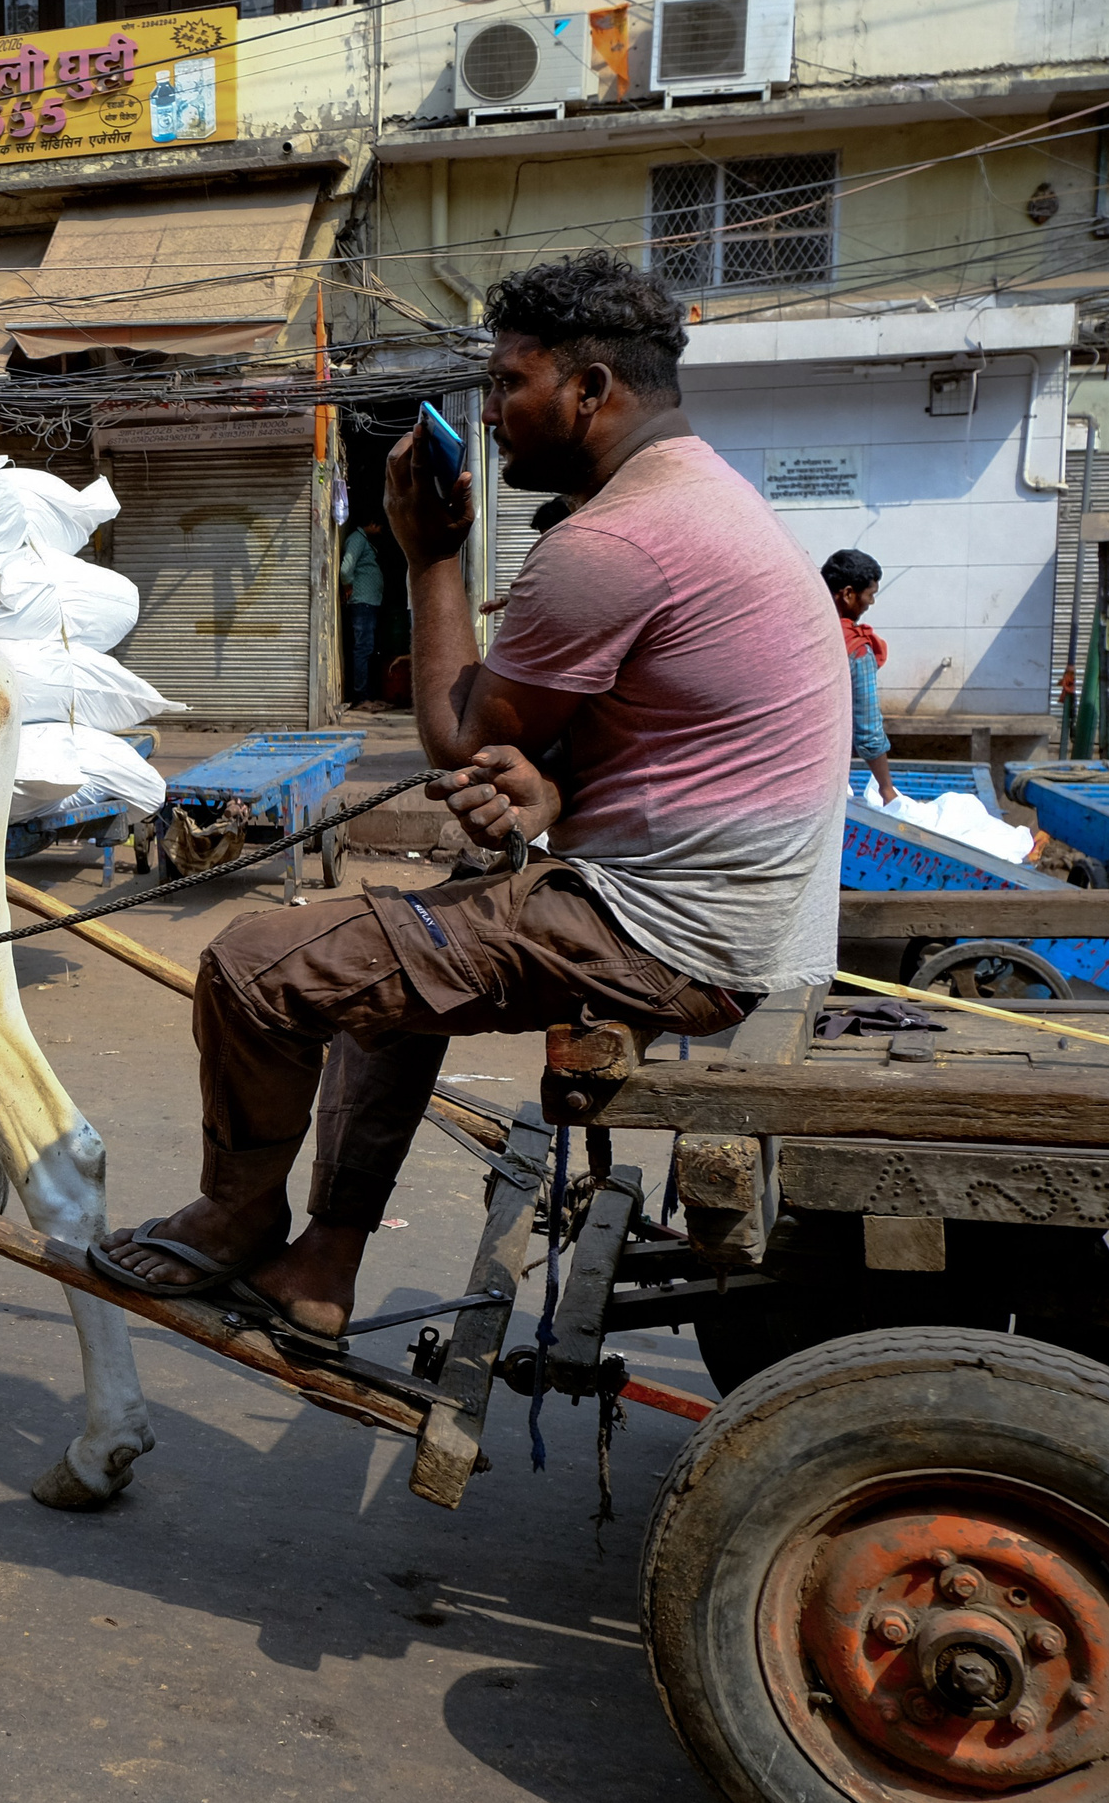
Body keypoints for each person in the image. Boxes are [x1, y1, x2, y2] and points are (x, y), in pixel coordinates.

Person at [89, 250, 850, 1338]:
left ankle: (236, 1215)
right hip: (725, 912)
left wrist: (428, 555)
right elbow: (613, 740)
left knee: (253, 969)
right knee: (385, 961)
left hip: (665, 932)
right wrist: (540, 791)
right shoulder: (706, 497)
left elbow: (456, 736)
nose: (489, 412)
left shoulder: (612, 541)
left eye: (508, 384)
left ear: (589, 389)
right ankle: (323, 1262)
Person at [824, 548, 895, 805]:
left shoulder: (796, 630)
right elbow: (868, 730)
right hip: (820, 772)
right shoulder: (857, 649)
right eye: (870, 595)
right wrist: (886, 789)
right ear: (848, 594)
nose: (871, 603)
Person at [341, 518, 387, 706]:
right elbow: (345, 570)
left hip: (368, 602)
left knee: (366, 648)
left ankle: (366, 694)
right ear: (373, 523)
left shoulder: (362, 540)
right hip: (362, 602)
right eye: (380, 526)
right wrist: (348, 586)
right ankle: (361, 697)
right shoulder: (357, 539)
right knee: (363, 648)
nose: (381, 531)